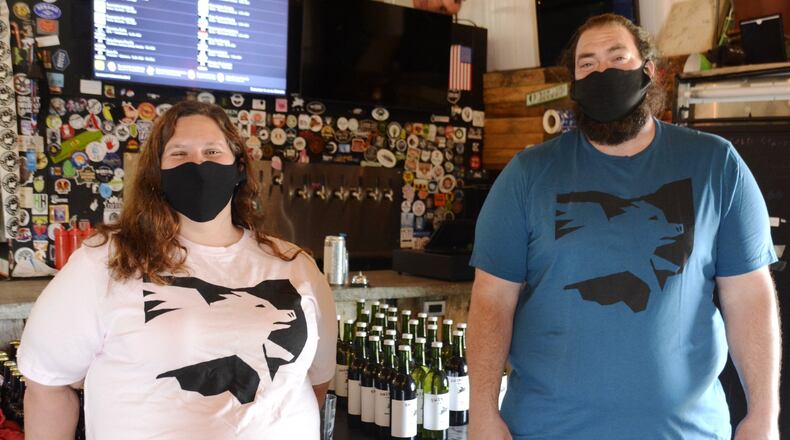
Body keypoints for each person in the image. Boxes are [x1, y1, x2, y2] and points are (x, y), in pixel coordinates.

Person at [468, 13, 781, 440]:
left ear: (648, 71)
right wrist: (482, 412)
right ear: (574, 86)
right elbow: (491, 301)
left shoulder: (717, 165)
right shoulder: (527, 176)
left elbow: (749, 295)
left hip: (689, 432)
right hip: (548, 430)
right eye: (588, 64)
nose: (604, 71)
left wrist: (763, 415)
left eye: (618, 57)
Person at [18, 101, 337, 439]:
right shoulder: (105, 262)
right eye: (179, 154)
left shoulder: (296, 265)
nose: (198, 165)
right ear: (157, 173)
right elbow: (47, 385)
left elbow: (312, 383)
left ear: (239, 167)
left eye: (212, 152)